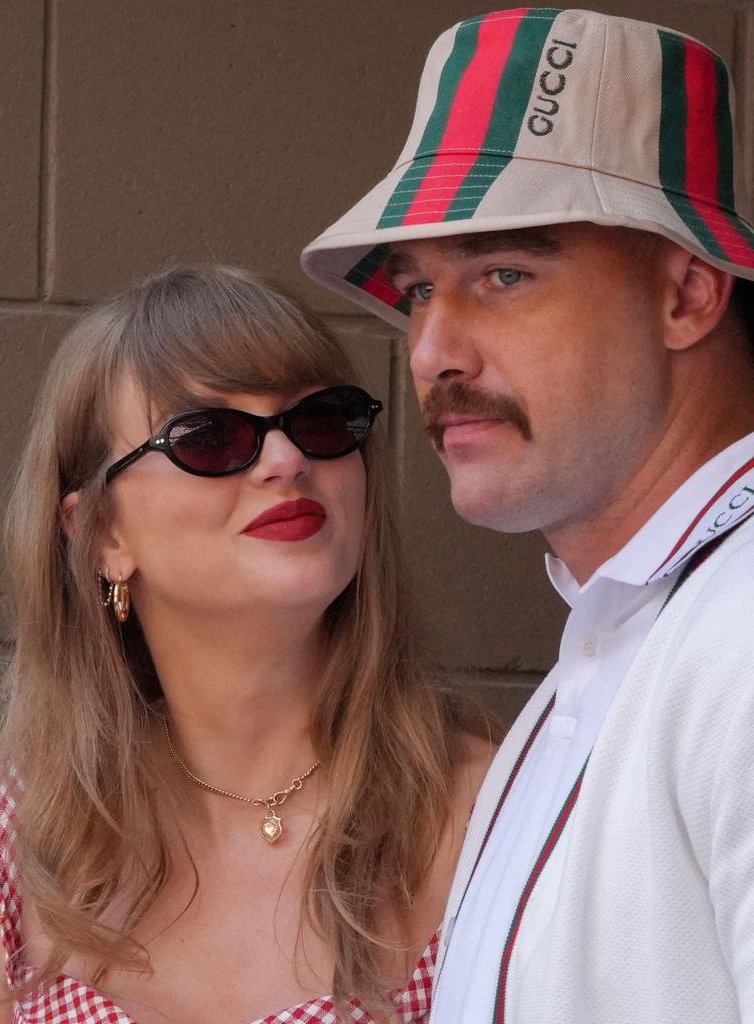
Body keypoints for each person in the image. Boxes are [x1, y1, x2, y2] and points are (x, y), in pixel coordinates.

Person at [302, 8, 754, 1023]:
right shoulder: (598, 662)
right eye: (419, 291)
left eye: (503, 274)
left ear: (687, 294)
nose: (431, 353)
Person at [0, 264, 494, 1024]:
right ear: (100, 535)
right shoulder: (15, 837)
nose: (287, 460)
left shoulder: (493, 811)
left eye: (321, 421)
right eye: (210, 436)